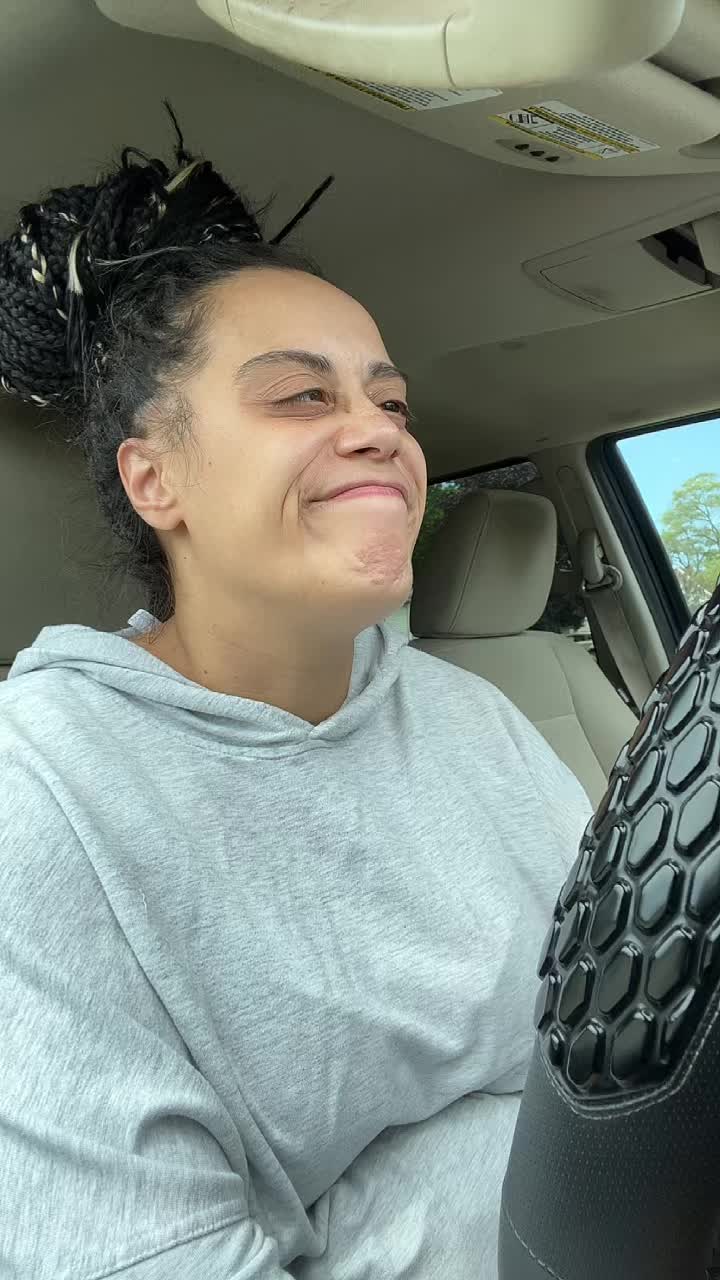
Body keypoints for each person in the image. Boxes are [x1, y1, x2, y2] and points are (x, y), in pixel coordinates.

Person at [0, 111, 593, 1279]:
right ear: (155, 477)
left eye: (391, 402)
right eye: (301, 398)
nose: (378, 433)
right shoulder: (45, 797)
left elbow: (627, 1005)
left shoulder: (473, 715)